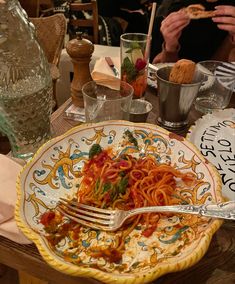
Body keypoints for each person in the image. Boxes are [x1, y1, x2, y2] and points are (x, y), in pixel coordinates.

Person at [150, 1, 235, 63]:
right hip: (178, 83)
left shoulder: (231, 12)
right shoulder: (178, 9)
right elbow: (157, 68)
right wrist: (170, 47)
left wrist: (231, 40)